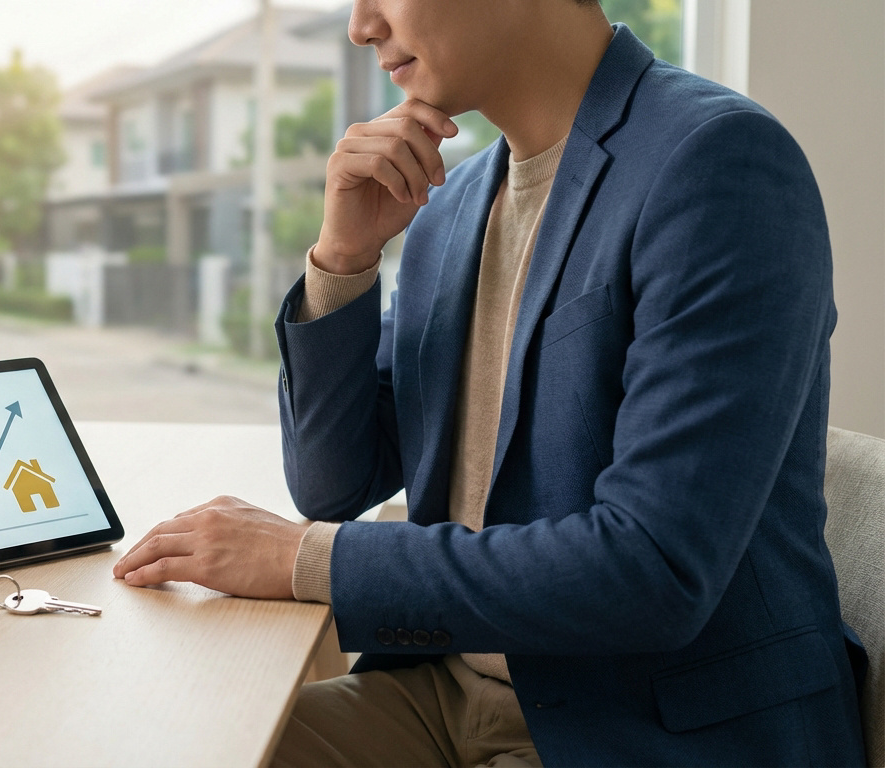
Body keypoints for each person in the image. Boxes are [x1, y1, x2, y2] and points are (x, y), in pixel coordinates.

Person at [113, 0, 868, 764]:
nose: (360, 25)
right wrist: (342, 260)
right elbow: (331, 482)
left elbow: (652, 570)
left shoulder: (717, 161)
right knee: (177, 744)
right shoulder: (454, 205)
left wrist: (305, 560)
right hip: (440, 695)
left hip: (642, 728)